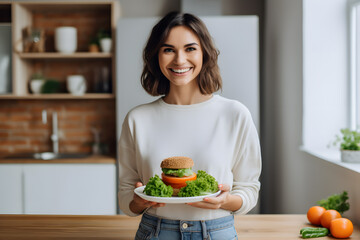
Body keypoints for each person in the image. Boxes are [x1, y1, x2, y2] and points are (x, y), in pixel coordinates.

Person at [118, 11, 261, 240]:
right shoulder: (137, 119)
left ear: (205, 53)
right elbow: (126, 194)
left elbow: (249, 189)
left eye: (190, 48)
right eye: (168, 50)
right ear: (156, 56)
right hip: (156, 231)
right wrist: (137, 202)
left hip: (217, 231)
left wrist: (226, 201)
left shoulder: (235, 114)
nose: (179, 60)